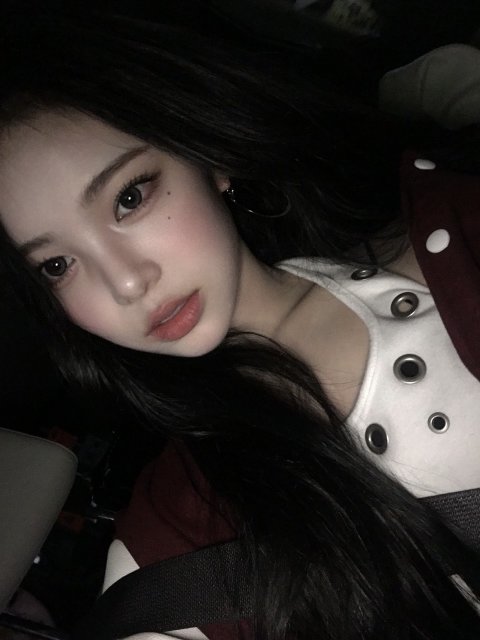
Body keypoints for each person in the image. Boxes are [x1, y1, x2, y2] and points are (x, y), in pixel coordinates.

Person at [1, 3, 480, 639]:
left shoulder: (446, 219)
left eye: (129, 197)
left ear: (210, 158)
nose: (126, 283)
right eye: (57, 265)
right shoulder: (179, 521)